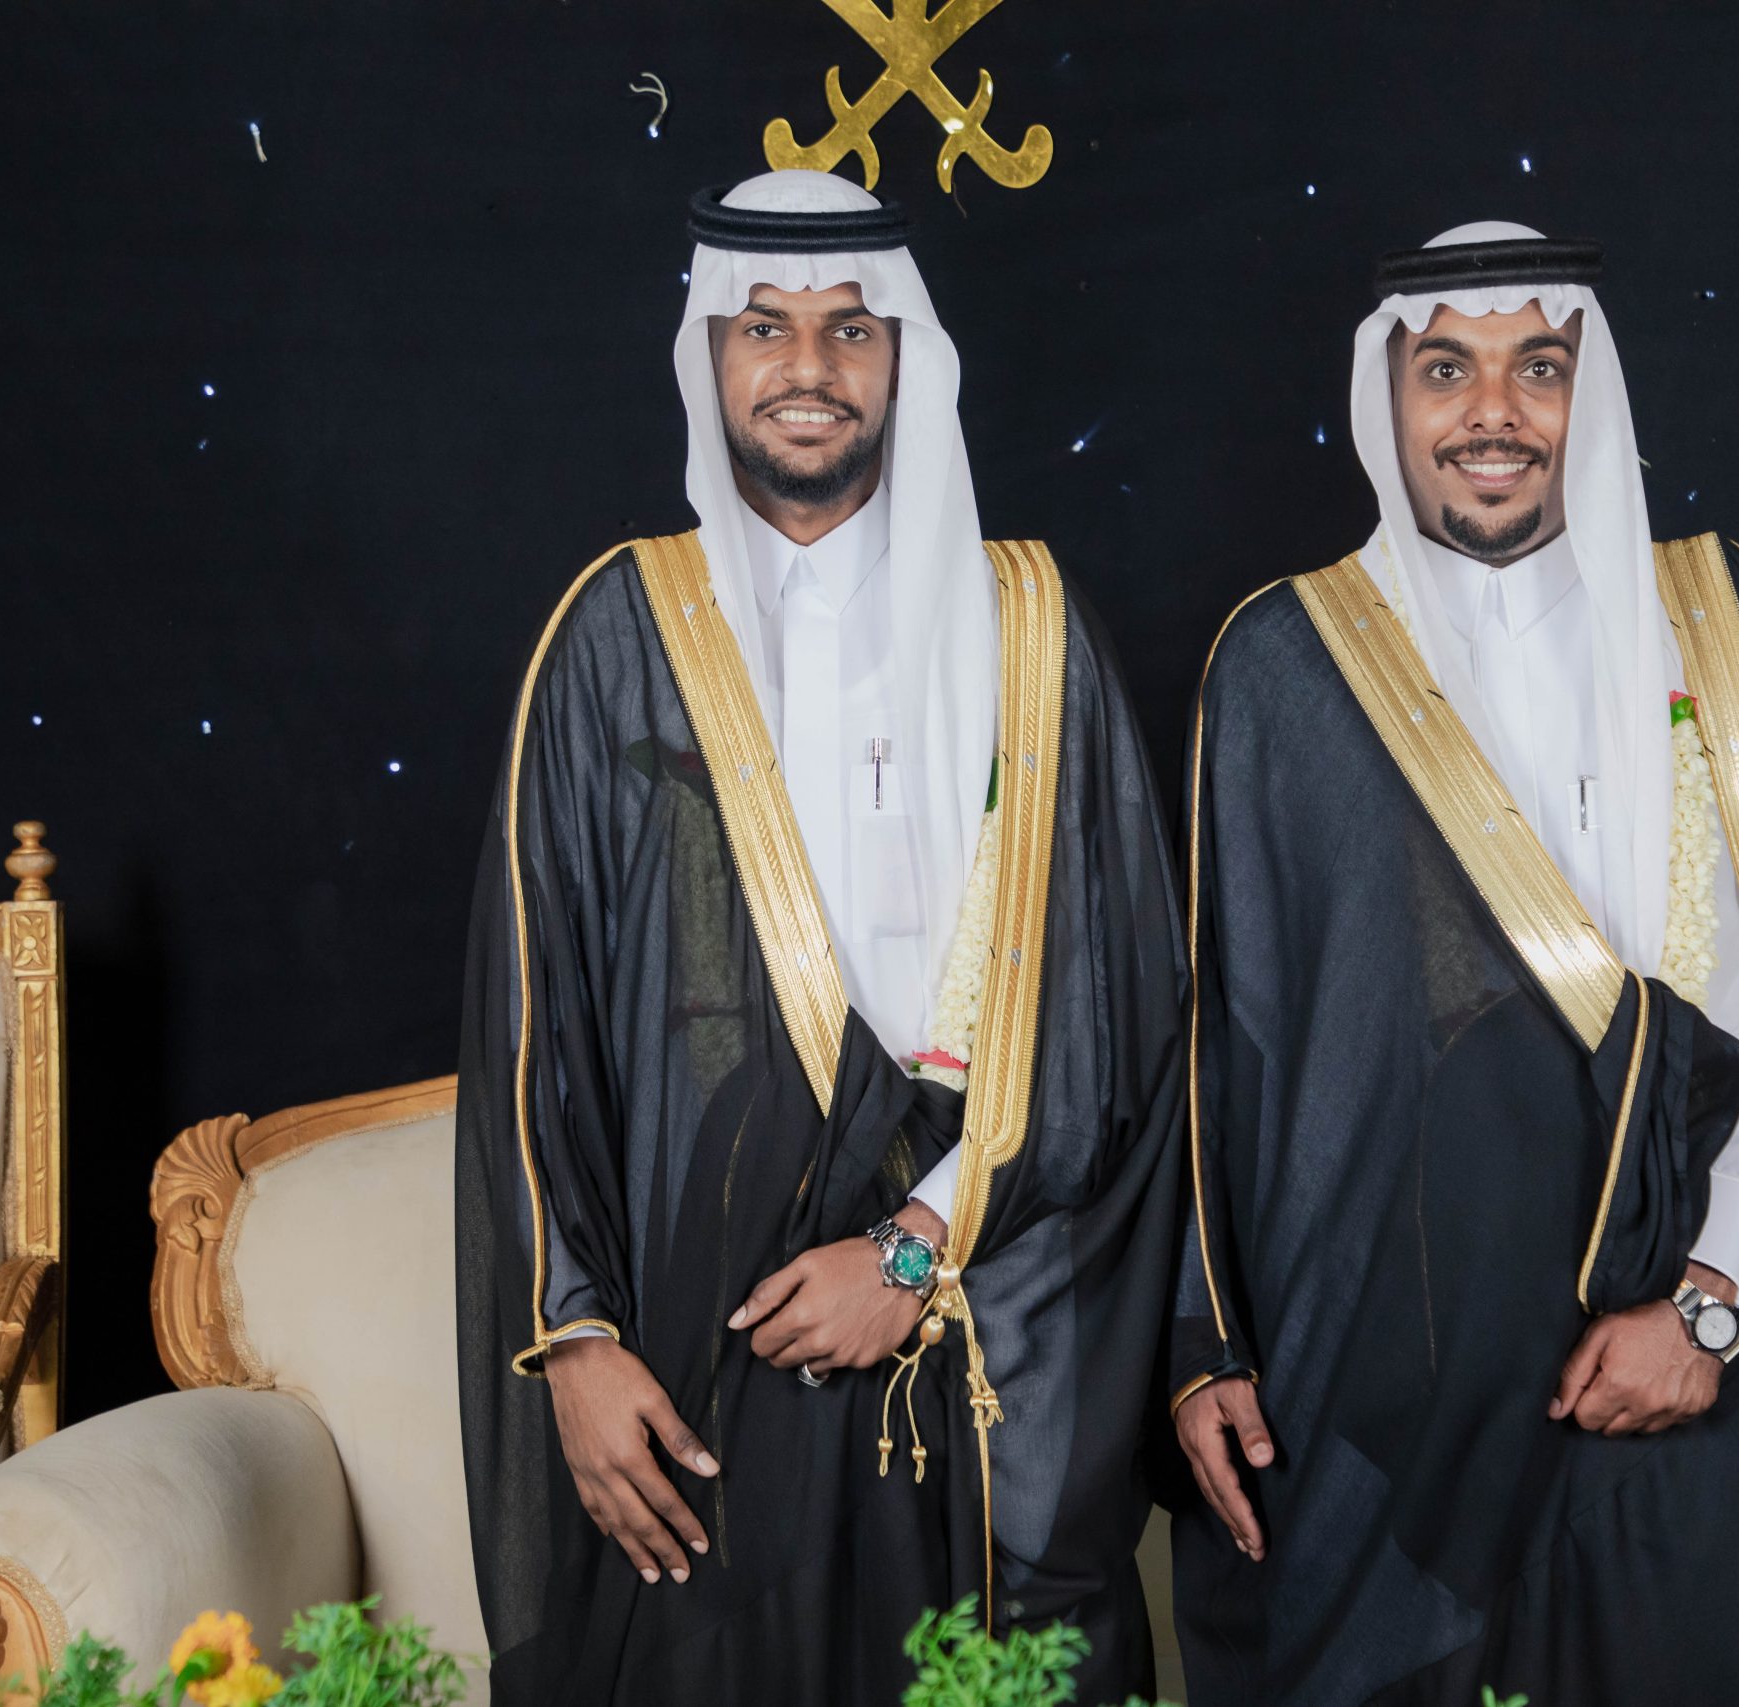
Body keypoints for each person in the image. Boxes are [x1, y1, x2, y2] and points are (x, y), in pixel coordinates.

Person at [456, 169, 1187, 1706]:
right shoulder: (615, 634)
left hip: (973, 1325)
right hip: (698, 1343)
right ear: (708, 357)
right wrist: (573, 1342)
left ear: (906, 356)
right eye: (765, 327)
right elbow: (536, 1029)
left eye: (852, 329)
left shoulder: (1030, 629)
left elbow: (1119, 1016)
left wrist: (915, 1246)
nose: (808, 366)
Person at [1168, 222, 1739, 1705]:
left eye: (1536, 369)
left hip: (1691, 1358)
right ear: (1389, 397)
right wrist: (1206, 1347)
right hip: (1397, 1379)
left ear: (1587, 392)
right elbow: (1222, 1046)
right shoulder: (1286, 662)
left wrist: (1704, 1300)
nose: (1491, 413)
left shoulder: (1715, 623)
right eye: (1447, 370)